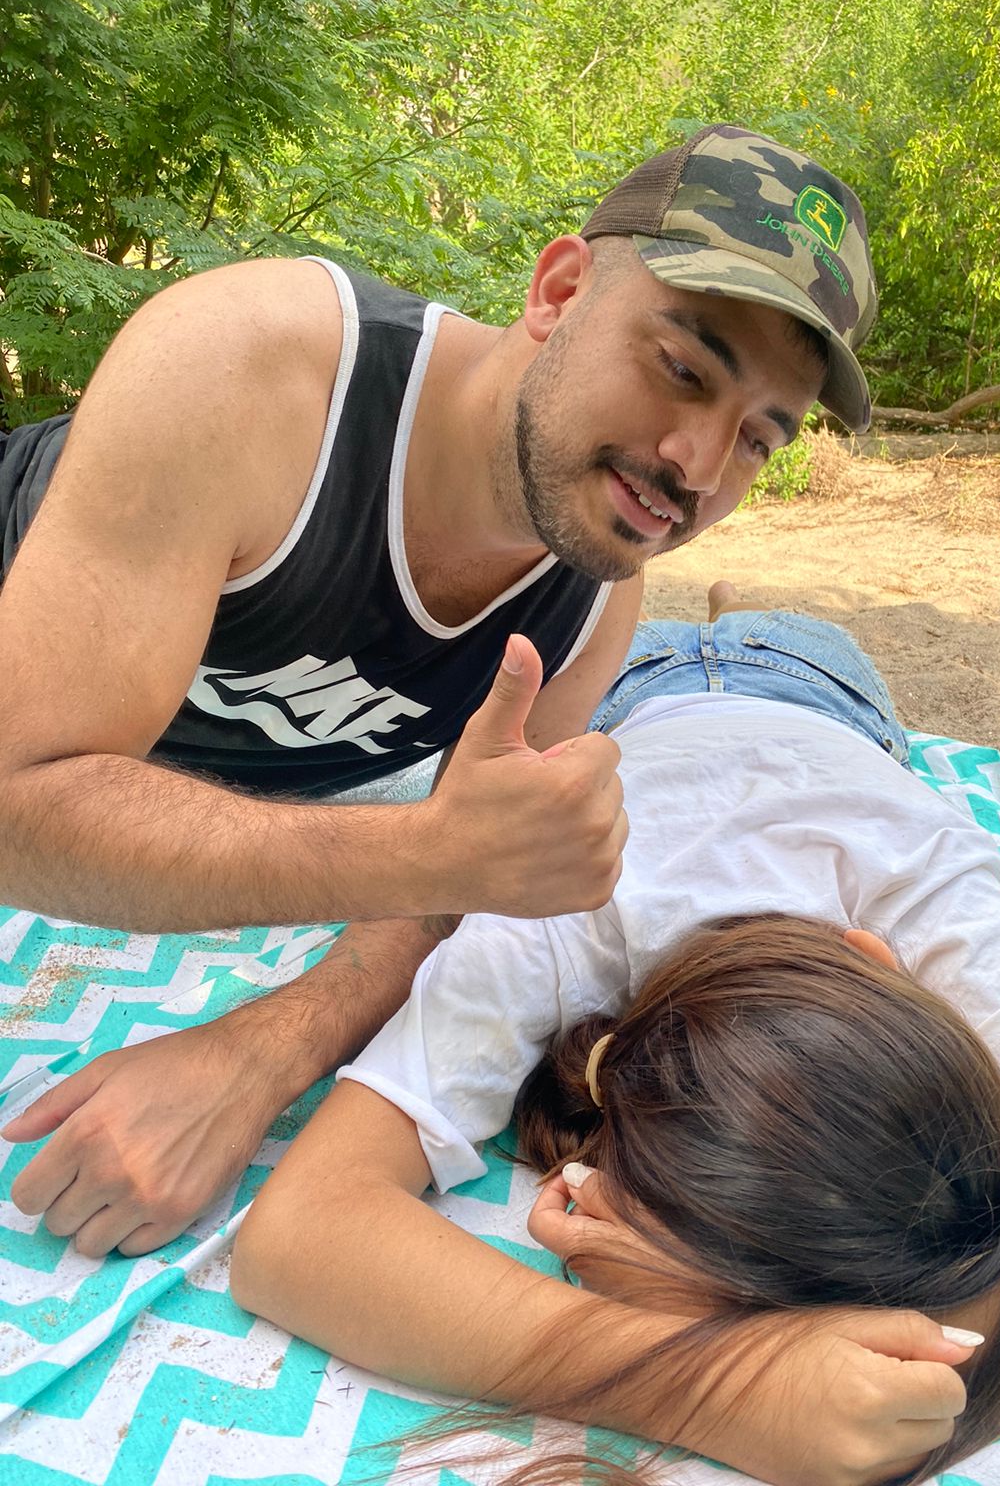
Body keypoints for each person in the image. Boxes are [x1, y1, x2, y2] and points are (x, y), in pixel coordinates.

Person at [0, 126, 877, 1255]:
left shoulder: (598, 588)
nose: (695, 465)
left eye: (758, 438)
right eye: (684, 369)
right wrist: (429, 850)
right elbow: (19, 804)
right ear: (559, 290)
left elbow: (471, 886)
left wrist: (254, 1054)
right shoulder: (252, 373)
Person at [229, 587, 1000, 1484]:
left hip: (790, 707)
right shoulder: (557, 919)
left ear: (876, 963)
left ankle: (735, 606)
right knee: (702, 633)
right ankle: (733, 608)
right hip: (700, 699)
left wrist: (731, 1325)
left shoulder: (920, 890)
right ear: (879, 956)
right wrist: (722, 1383)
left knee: (749, 616)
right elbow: (296, 1237)